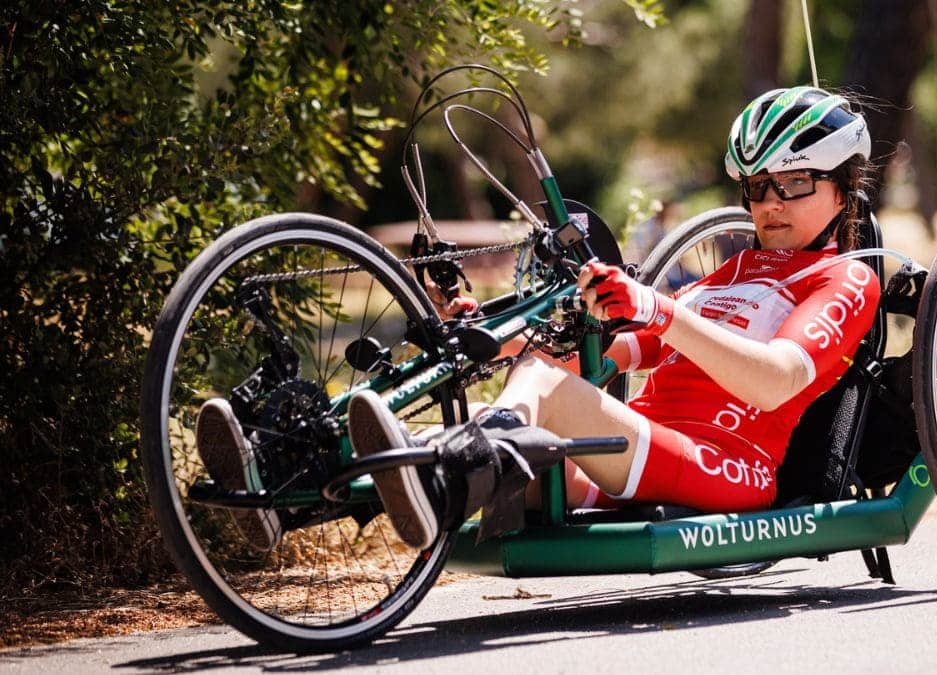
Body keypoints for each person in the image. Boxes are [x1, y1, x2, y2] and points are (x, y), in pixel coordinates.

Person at [196, 86, 883, 553]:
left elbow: (776, 380)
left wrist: (661, 307)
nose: (770, 202)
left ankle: (443, 482)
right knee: (525, 392)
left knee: (542, 393)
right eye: (758, 187)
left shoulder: (844, 278)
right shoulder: (732, 271)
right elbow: (609, 354)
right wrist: (495, 334)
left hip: (722, 465)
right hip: (640, 450)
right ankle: (288, 493)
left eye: (794, 183)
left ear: (843, 184)